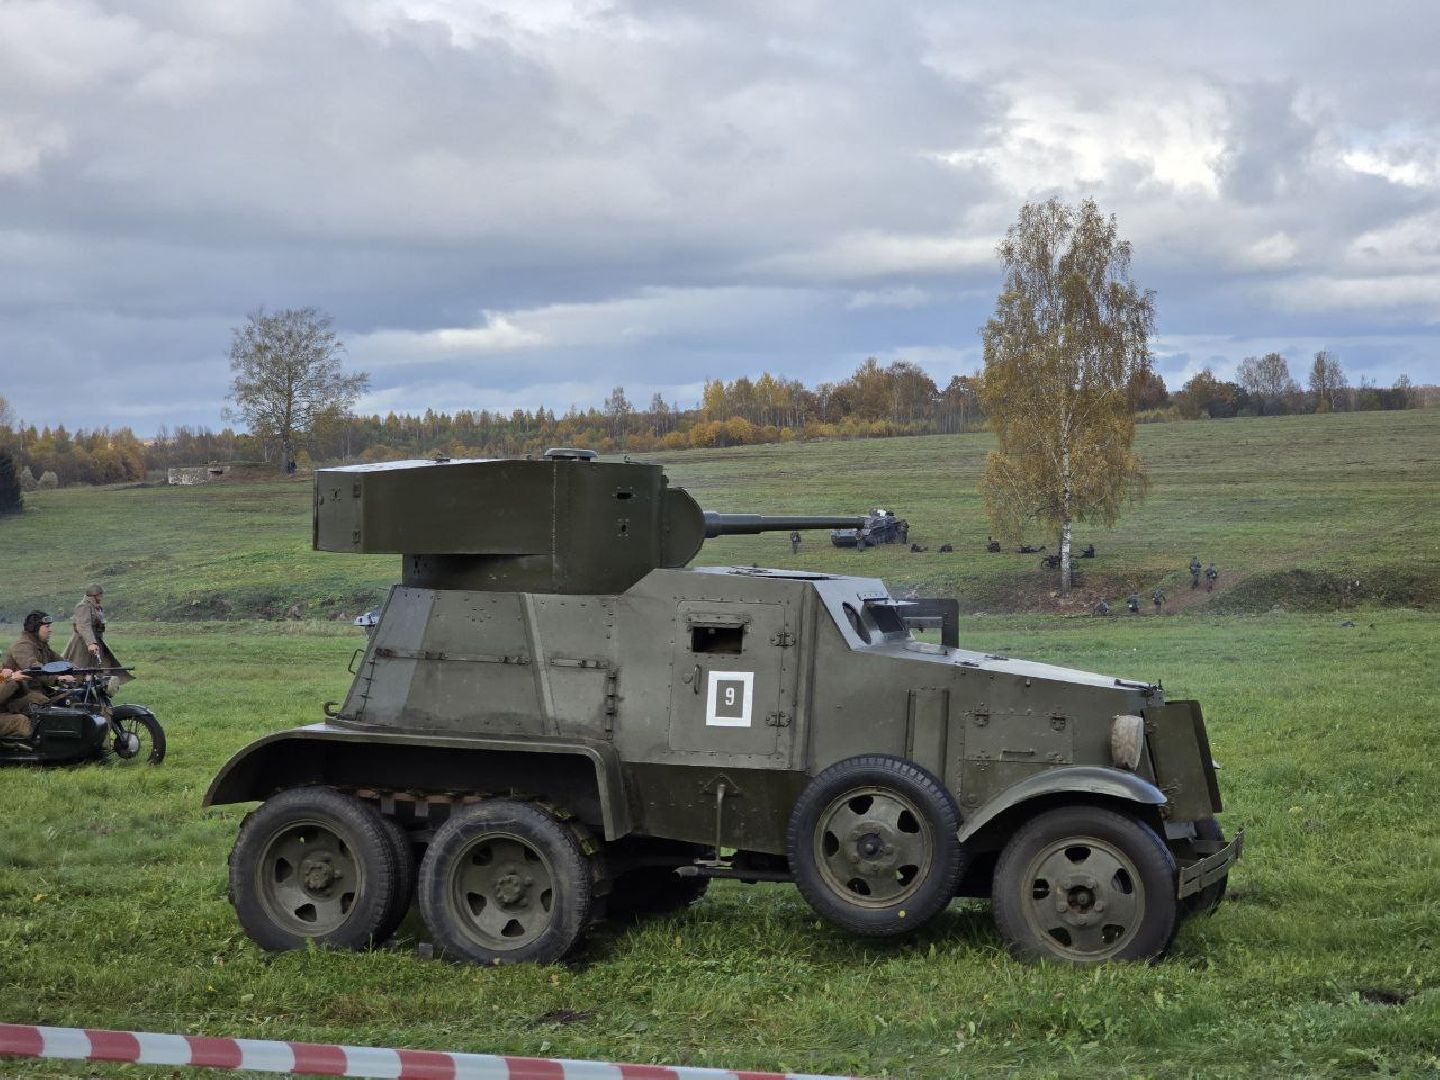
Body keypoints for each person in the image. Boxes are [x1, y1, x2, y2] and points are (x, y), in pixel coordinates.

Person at [62, 584, 131, 684]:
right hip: (83, 644)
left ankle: (101, 688)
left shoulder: (96, 607)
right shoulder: (83, 606)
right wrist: (91, 643)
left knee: (104, 667)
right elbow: (83, 625)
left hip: (96, 641)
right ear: (95, 595)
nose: (102, 597)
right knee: (79, 669)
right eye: (100, 594)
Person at [0, 667, 42, 739]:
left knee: (36, 698)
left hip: (4, 708)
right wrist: (11, 679)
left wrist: (19, 680)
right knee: (21, 722)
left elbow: (24, 693)